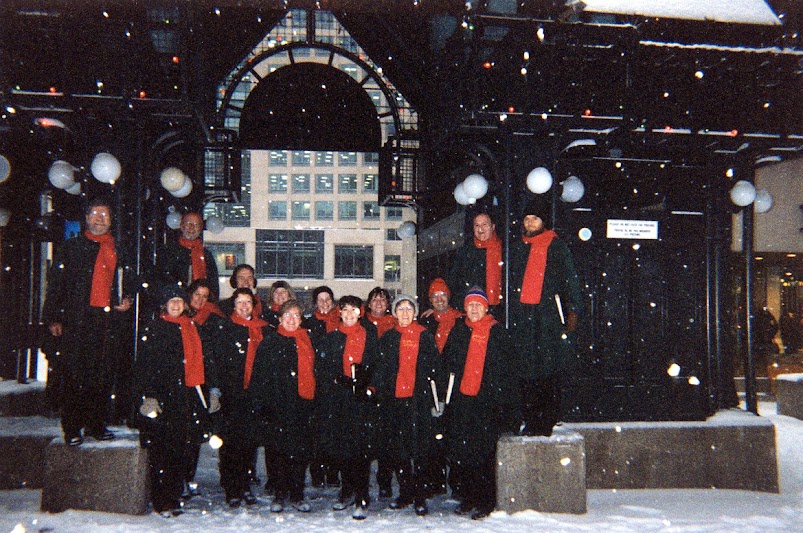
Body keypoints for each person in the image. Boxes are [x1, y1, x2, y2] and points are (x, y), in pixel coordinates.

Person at [42, 197, 135, 446]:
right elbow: (56, 285)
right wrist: (53, 317)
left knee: (102, 375)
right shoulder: (71, 248)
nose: (99, 219)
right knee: (74, 375)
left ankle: (96, 424)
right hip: (77, 320)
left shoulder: (119, 249)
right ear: (86, 218)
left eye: (104, 215)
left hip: (107, 322)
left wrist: (127, 299)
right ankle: (72, 428)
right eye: (95, 214)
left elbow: (130, 281)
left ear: (111, 221)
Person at [134, 285, 220, 517]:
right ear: (164, 304)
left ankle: (173, 497)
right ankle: (161, 501)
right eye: (171, 301)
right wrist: (147, 396)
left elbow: (207, 362)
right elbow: (144, 366)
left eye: (179, 301)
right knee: (161, 451)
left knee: (181, 450)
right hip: (163, 399)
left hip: (187, 398)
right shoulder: (153, 328)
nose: (175, 305)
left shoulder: (193, 328)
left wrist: (213, 390)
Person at [441, 287, 520, 520]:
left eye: (478, 305)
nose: (474, 309)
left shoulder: (498, 333)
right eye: (470, 305)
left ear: (486, 308)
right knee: (464, 451)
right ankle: (469, 497)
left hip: (487, 402)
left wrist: (506, 405)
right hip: (462, 400)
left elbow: (507, 371)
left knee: (484, 454)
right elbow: (448, 363)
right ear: (465, 308)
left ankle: (486, 501)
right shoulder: (459, 331)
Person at [509, 196, 582, 437]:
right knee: (525, 369)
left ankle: (546, 420)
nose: (530, 222)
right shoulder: (518, 247)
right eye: (527, 218)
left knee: (547, 370)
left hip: (547, 316)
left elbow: (570, 280)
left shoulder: (557, 247)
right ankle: (529, 419)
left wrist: (573, 310)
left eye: (535, 218)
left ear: (544, 221)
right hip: (523, 317)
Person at [373, 294, 440, 516]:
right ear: (394, 312)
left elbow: (434, 368)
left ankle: (420, 495)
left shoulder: (425, 336)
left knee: (419, 450)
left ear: (415, 313)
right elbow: (381, 368)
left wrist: (435, 396)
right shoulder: (389, 337)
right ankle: (405, 492)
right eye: (400, 308)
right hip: (394, 401)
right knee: (398, 449)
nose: (404, 313)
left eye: (408, 309)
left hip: (418, 401)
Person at [250, 299, 317, 513]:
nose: (291, 319)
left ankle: (297, 494)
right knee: (277, 452)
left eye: (296, 315)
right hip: (276, 405)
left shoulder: (308, 340)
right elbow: (259, 376)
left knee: (299, 452)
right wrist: (261, 405)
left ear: (301, 319)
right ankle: (279, 494)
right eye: (287, 315)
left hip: (302, 404)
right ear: (280, 319)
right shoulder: (270, 342)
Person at [317, 295, 378, 520]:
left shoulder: (370, 336)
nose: (350, 314)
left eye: (354, 310)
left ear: (360, 313)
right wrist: (336, 379)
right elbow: (322, 367)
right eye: (346, 310)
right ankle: (347, 488)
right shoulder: (332, 338)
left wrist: (369, 386)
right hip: (339, 399)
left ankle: (362, 494)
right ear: (340, 313)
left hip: (362, 399)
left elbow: (378, 366)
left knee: (360, 448)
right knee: (342, 447)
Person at [217, 288, 269, 508]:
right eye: (240, 302)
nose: (244, 306)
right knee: (230, 444)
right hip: (231, 394)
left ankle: (245, 485)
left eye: (248, 302)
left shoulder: (262, 328)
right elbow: (218, 362)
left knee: (249, 443)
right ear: (233, 304)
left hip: (254, 394)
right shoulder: (225, 328)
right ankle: (232, 488)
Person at [361, 286, 396, 497]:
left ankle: (385, 482)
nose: (379, 303)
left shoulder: (395, 324)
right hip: (366, 388)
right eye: (375, 299)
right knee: (365, 438)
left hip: (389, 389)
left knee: (387, 439)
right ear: (369, 303)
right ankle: (361, 484)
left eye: (383, 300)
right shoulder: (361, 324)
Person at [446, 212, 503, 313]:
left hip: (500, 307)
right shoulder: (466, 252)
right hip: (473, 308)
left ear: (493, 227)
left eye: (484, 224)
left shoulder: (504, 249)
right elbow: (453, 280)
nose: (480, 229)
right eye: (477, 225)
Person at [155, 212, 220, 300]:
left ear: (201, 228)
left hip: (200, 303)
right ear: (181, 226)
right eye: (188, 223)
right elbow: (161, 280)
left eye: (196, 224)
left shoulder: (206, 255)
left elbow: (213, 285)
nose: (191, 227)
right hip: (175, 302)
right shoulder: (169, 252)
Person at [419, 278, 464, 354]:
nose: (439, 299)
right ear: (431, 300)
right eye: (435, 295)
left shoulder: (461, 321)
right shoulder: (426, 321)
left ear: (448, 297)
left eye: (443, 294)